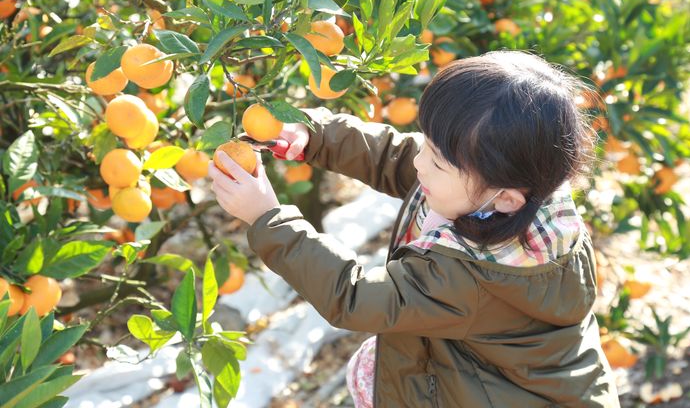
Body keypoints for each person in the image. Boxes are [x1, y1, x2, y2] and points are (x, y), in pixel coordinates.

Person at [208, 50, 620, 407]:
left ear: (507, 198)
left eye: (437, 161)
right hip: (490, 375)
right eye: (426, 143)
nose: (420, 161)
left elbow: (355, 298)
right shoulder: (502, 188)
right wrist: (314, 135)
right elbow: (392, 155)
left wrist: (268, 218)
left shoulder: (469, 275)